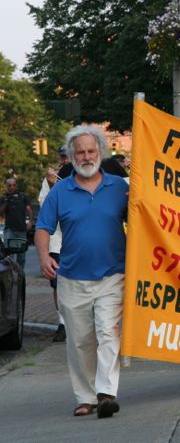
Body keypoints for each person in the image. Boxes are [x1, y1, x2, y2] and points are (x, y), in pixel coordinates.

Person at [35, 125, 129, 418]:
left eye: (91, 151)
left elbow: (145, 217)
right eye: (80, 152)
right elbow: (42, 228)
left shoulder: (120, 187)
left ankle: (106, 393)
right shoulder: (61, 190)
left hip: (113, 274)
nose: (86, 157)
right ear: (71, 156)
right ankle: (85, 397)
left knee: (108, 332)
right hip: (72, 276)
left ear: (100, 151)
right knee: (79, 340)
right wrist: (43, 257)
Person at [38, 145, 70, 342]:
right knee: (58, 284)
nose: (65, 160)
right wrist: (51, 185)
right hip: (56, 243)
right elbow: (44, 207)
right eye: (63, 157)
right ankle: (62, 323)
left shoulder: (83, 176)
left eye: (68, 156)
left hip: (77, 243)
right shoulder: (51, 180)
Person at [0, 178, 33, 270]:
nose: (12, 187)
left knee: (21, 255)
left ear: (16, 185)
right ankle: (10, 273)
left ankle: (20, 273)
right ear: (7, 186)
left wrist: (30, 221)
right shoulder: (4, 198)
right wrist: (7, 200)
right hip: (9, 229)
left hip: (21, 229)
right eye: (9, 185)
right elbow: (1, 212)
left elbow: (29, 209)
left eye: (13, 185)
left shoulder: (22, 196)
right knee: (9, 254)